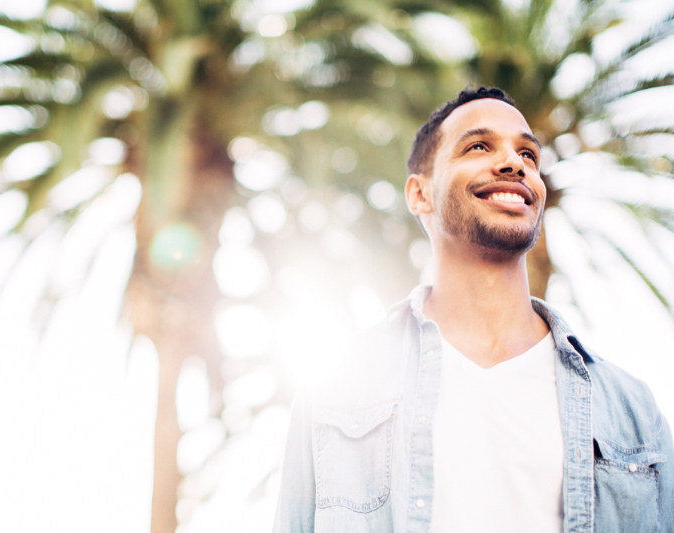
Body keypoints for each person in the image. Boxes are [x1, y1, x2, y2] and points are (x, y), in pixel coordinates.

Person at [272, 86, 673, 533]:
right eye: (479, 146)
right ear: (419, 194)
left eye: (529, 155)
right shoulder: (335, 391)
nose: (514, 163)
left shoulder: (632, 411)